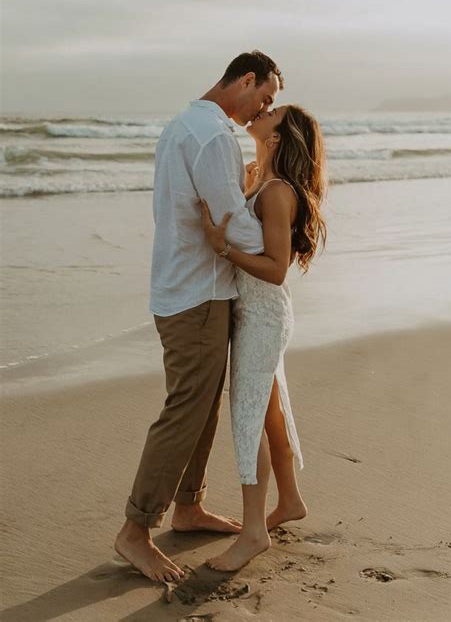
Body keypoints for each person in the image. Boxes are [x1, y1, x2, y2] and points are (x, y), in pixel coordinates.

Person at [114, 50, 283, 582]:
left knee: (204, 406)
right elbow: (231, 218)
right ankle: (135, 530)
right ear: (247, 79)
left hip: (185, 286)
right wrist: (280, 252)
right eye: (265, 97)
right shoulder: (212, 136)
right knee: (187, 409)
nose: (263, 108)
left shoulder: (185, 123)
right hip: (196, 293)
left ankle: (187, 507)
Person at [200, 103, 327, 571]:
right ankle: (289, 500)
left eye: (272, 113)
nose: (261, 112)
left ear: (277, 137)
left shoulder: (276, 192)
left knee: (249, 415)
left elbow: (275, 270)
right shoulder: (264, 183)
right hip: (257, 313)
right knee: (269, 409)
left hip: (262, 315)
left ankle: (253, 533)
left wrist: (223, 249)